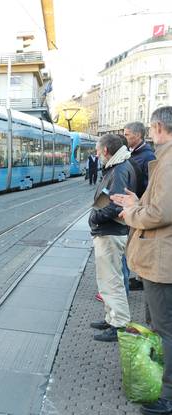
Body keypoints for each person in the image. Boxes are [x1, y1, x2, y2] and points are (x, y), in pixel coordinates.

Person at [112, 106, 172, 415]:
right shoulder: (163, 159)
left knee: (164, 328)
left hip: (163, 261)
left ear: (160, 127)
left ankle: (167, 394)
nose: (149, 134)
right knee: (159, 324)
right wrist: (138, 201)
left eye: (150, 128)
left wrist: (132, 212)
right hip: (158, 259)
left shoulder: (169, 160)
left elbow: (162, 213)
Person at [88, 133, 138, 342]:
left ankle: (118, 324)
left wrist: (95, 218)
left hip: (111, 232)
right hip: (110, 232)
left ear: (106, 151)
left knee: (112, 281)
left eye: (98, 152)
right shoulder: (119, 166)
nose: (97, 156)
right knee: (107, 280)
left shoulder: (119, 169)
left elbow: (115, 204)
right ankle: (111, 318)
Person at [122, 122, 157, 292]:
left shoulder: (148, 156)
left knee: (139, 243)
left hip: (140, 208)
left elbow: (150, 186)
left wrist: (139, 203)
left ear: (138, 135)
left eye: (127, 134)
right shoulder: (135, 153)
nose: (125, 137)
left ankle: (142, 279)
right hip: (134, 206)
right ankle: (139, 277)